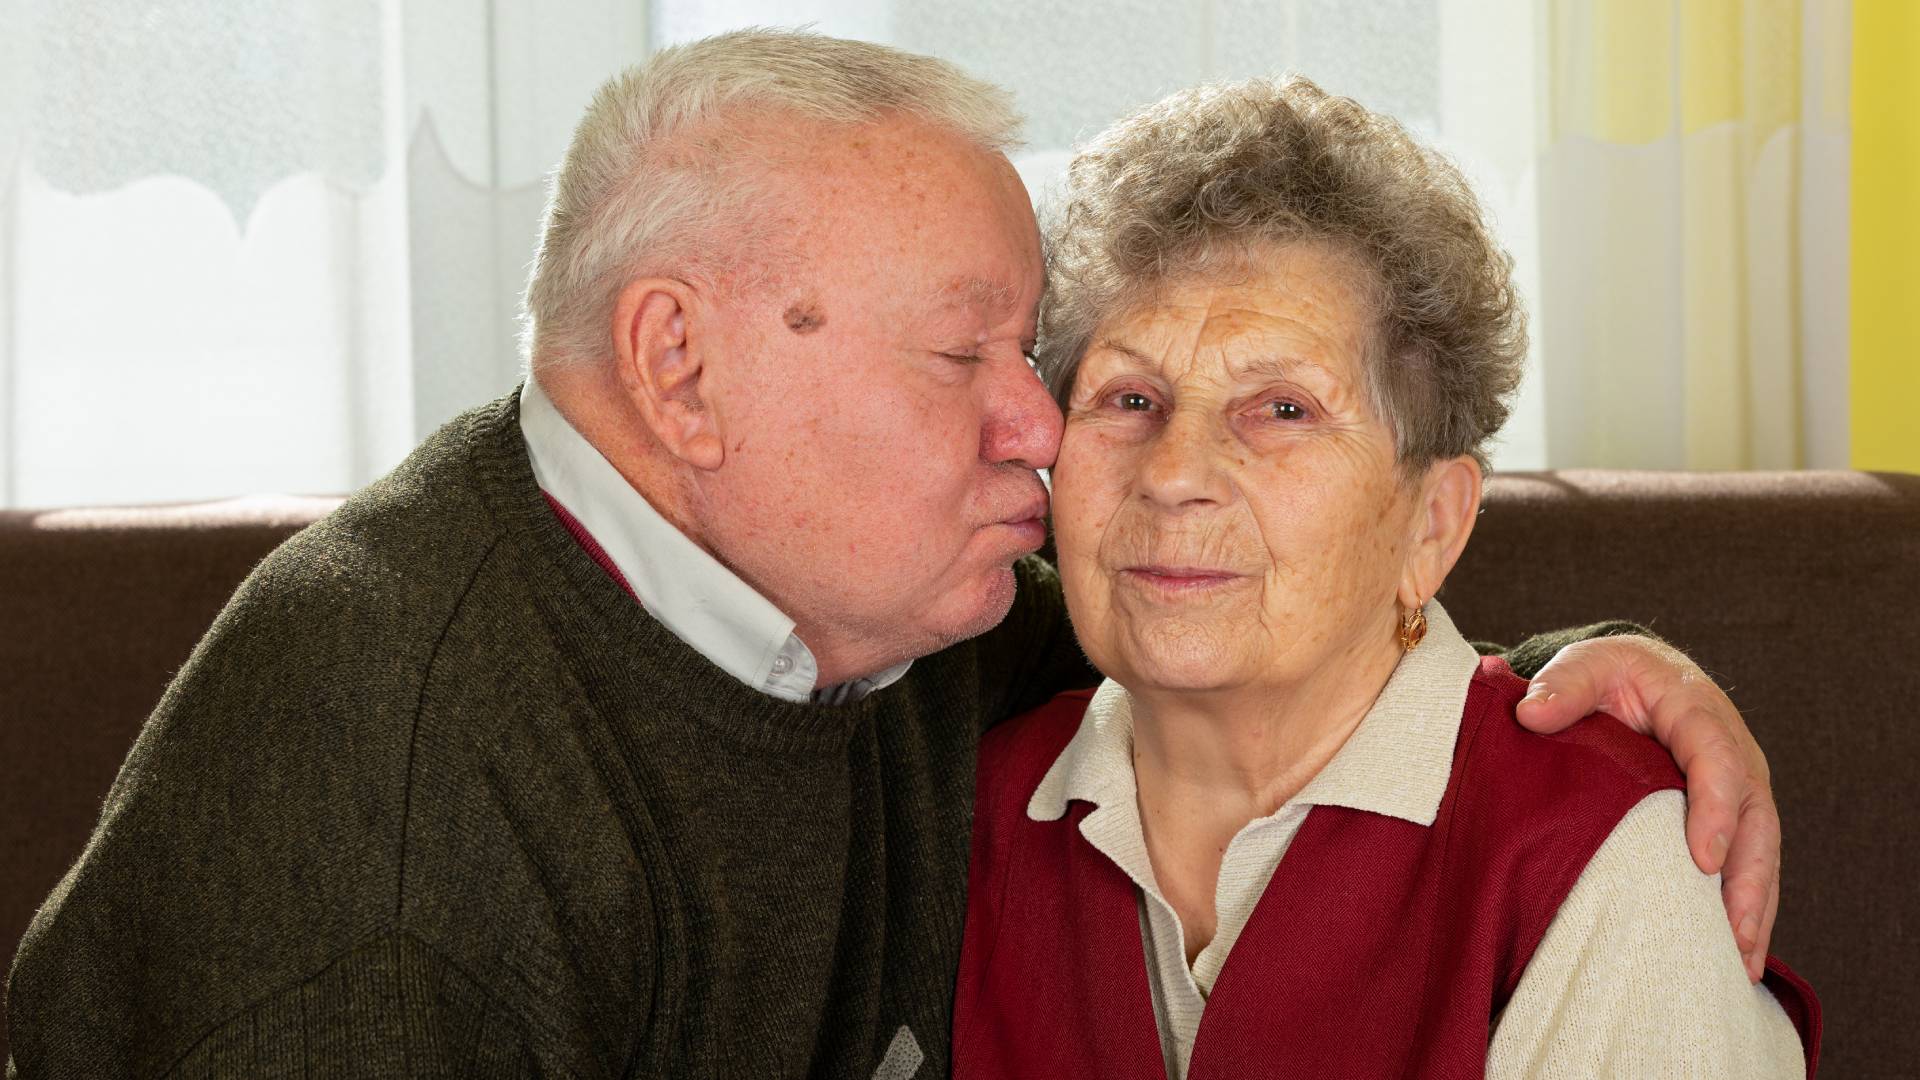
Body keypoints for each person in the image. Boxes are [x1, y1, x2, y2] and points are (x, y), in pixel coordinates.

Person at [8, 32, 1782, 1080]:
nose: (1044, 426)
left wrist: (1570, 684)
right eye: (968, 355)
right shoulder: (382, 824)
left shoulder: (904, 624)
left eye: (1038, 359)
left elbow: (1271, 648)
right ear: (678, 369)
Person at [953, 77, 1817, 1079]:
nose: (1175, 473)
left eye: (1283, 409)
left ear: (1432, 522)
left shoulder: (1598, 846)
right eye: (1130, 398)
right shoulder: (966, 803)